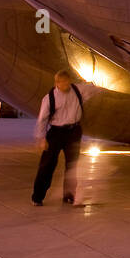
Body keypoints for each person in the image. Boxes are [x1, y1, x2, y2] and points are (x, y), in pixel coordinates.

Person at [32, 70, 85, 206]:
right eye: (61, 82)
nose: (65, 85)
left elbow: (93, 87)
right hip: (56, 133)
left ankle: (69, 195)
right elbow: (42, 119)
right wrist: (41, 138)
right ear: (56, 83)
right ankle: (37, 197)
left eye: (67, 82)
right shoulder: (49, 97)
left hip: (73, 132)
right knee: (47, 164)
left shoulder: (78, 90)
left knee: (72, 165)